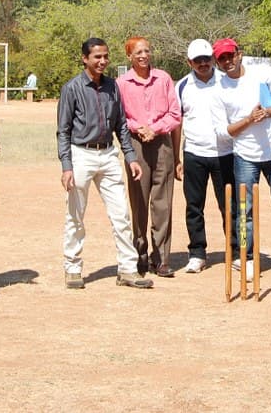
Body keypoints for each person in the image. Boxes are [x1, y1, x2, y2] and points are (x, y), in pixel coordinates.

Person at [57, 37, 153, 290]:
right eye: (97, 57)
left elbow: (121, 124)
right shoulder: (72, 88)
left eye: (105, 56)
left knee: (120, 214)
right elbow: (63, 130)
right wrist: (66, 166)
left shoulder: (112, 86)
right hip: (81, 155)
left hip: (108, 155)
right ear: (85, 59)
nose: (102, 61)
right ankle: (73, 268)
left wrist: (130, 157)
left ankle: (128, 269)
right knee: (75, 215)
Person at [210, 38, 271, 281]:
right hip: (245, 156)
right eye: (222, 58)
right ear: (217, 63)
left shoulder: (262, 72)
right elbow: (222, 131)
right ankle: (247, 257)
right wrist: (249, 119)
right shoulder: (219, 91)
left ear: (239, 53)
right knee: (244, 212)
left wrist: (267, 112)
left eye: (231, 55)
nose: (228, 61)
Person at [118, 37, 181, 277]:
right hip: (136, 144)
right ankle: (140, 253)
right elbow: (119, 115)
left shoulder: (163, 79)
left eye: (147, 51)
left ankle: (162, 258)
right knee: (139, 201)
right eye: (138, 52)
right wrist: (138, 127)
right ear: (129, 57)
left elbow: (175, 114)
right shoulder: (122, 83)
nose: (144, 55)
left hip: (161, 142)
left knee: (162, 201)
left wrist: (155, 128)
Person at [173, 39, 235, 274]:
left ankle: (234, 250)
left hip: (225, 153)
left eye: (206, 59)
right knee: (194, 206)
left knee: (229, 206)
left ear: (213, 59)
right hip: (194, 154)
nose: (203, 64)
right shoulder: (182, 86)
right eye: (197, 60)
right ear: (189, 62)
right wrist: (177, 158)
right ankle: (197, 253)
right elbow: (176, 123)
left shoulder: (227, 82)